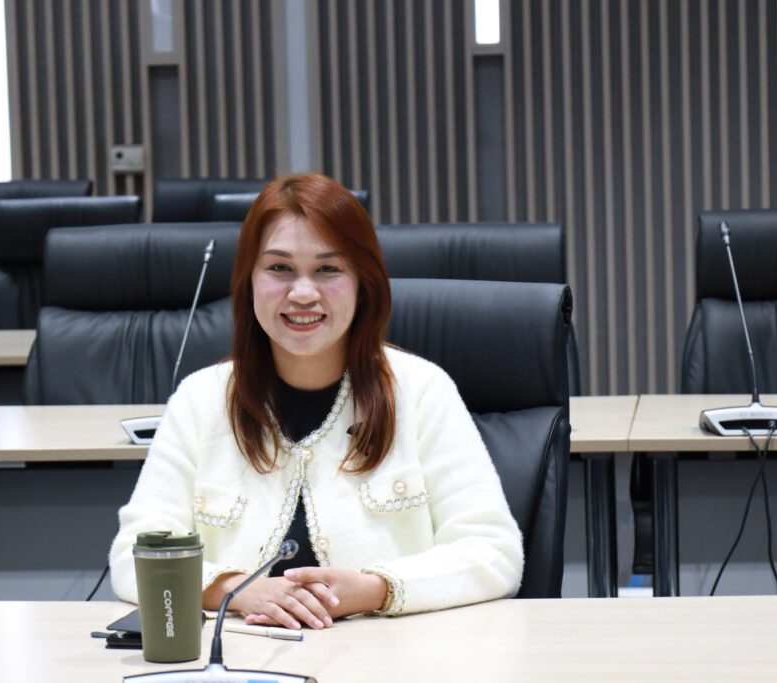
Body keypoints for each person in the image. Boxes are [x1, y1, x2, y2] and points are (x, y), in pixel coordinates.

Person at [109, 173, 522, 629]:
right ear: (249, 281)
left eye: (328, 269)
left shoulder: (422, 391)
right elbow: (135, 555)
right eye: (279, 268)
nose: (303, 293)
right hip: (240, 655)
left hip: (393, 654)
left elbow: (494, 551)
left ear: (363, 282)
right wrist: (235, 589)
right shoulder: (201, 399)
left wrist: (378, 589)